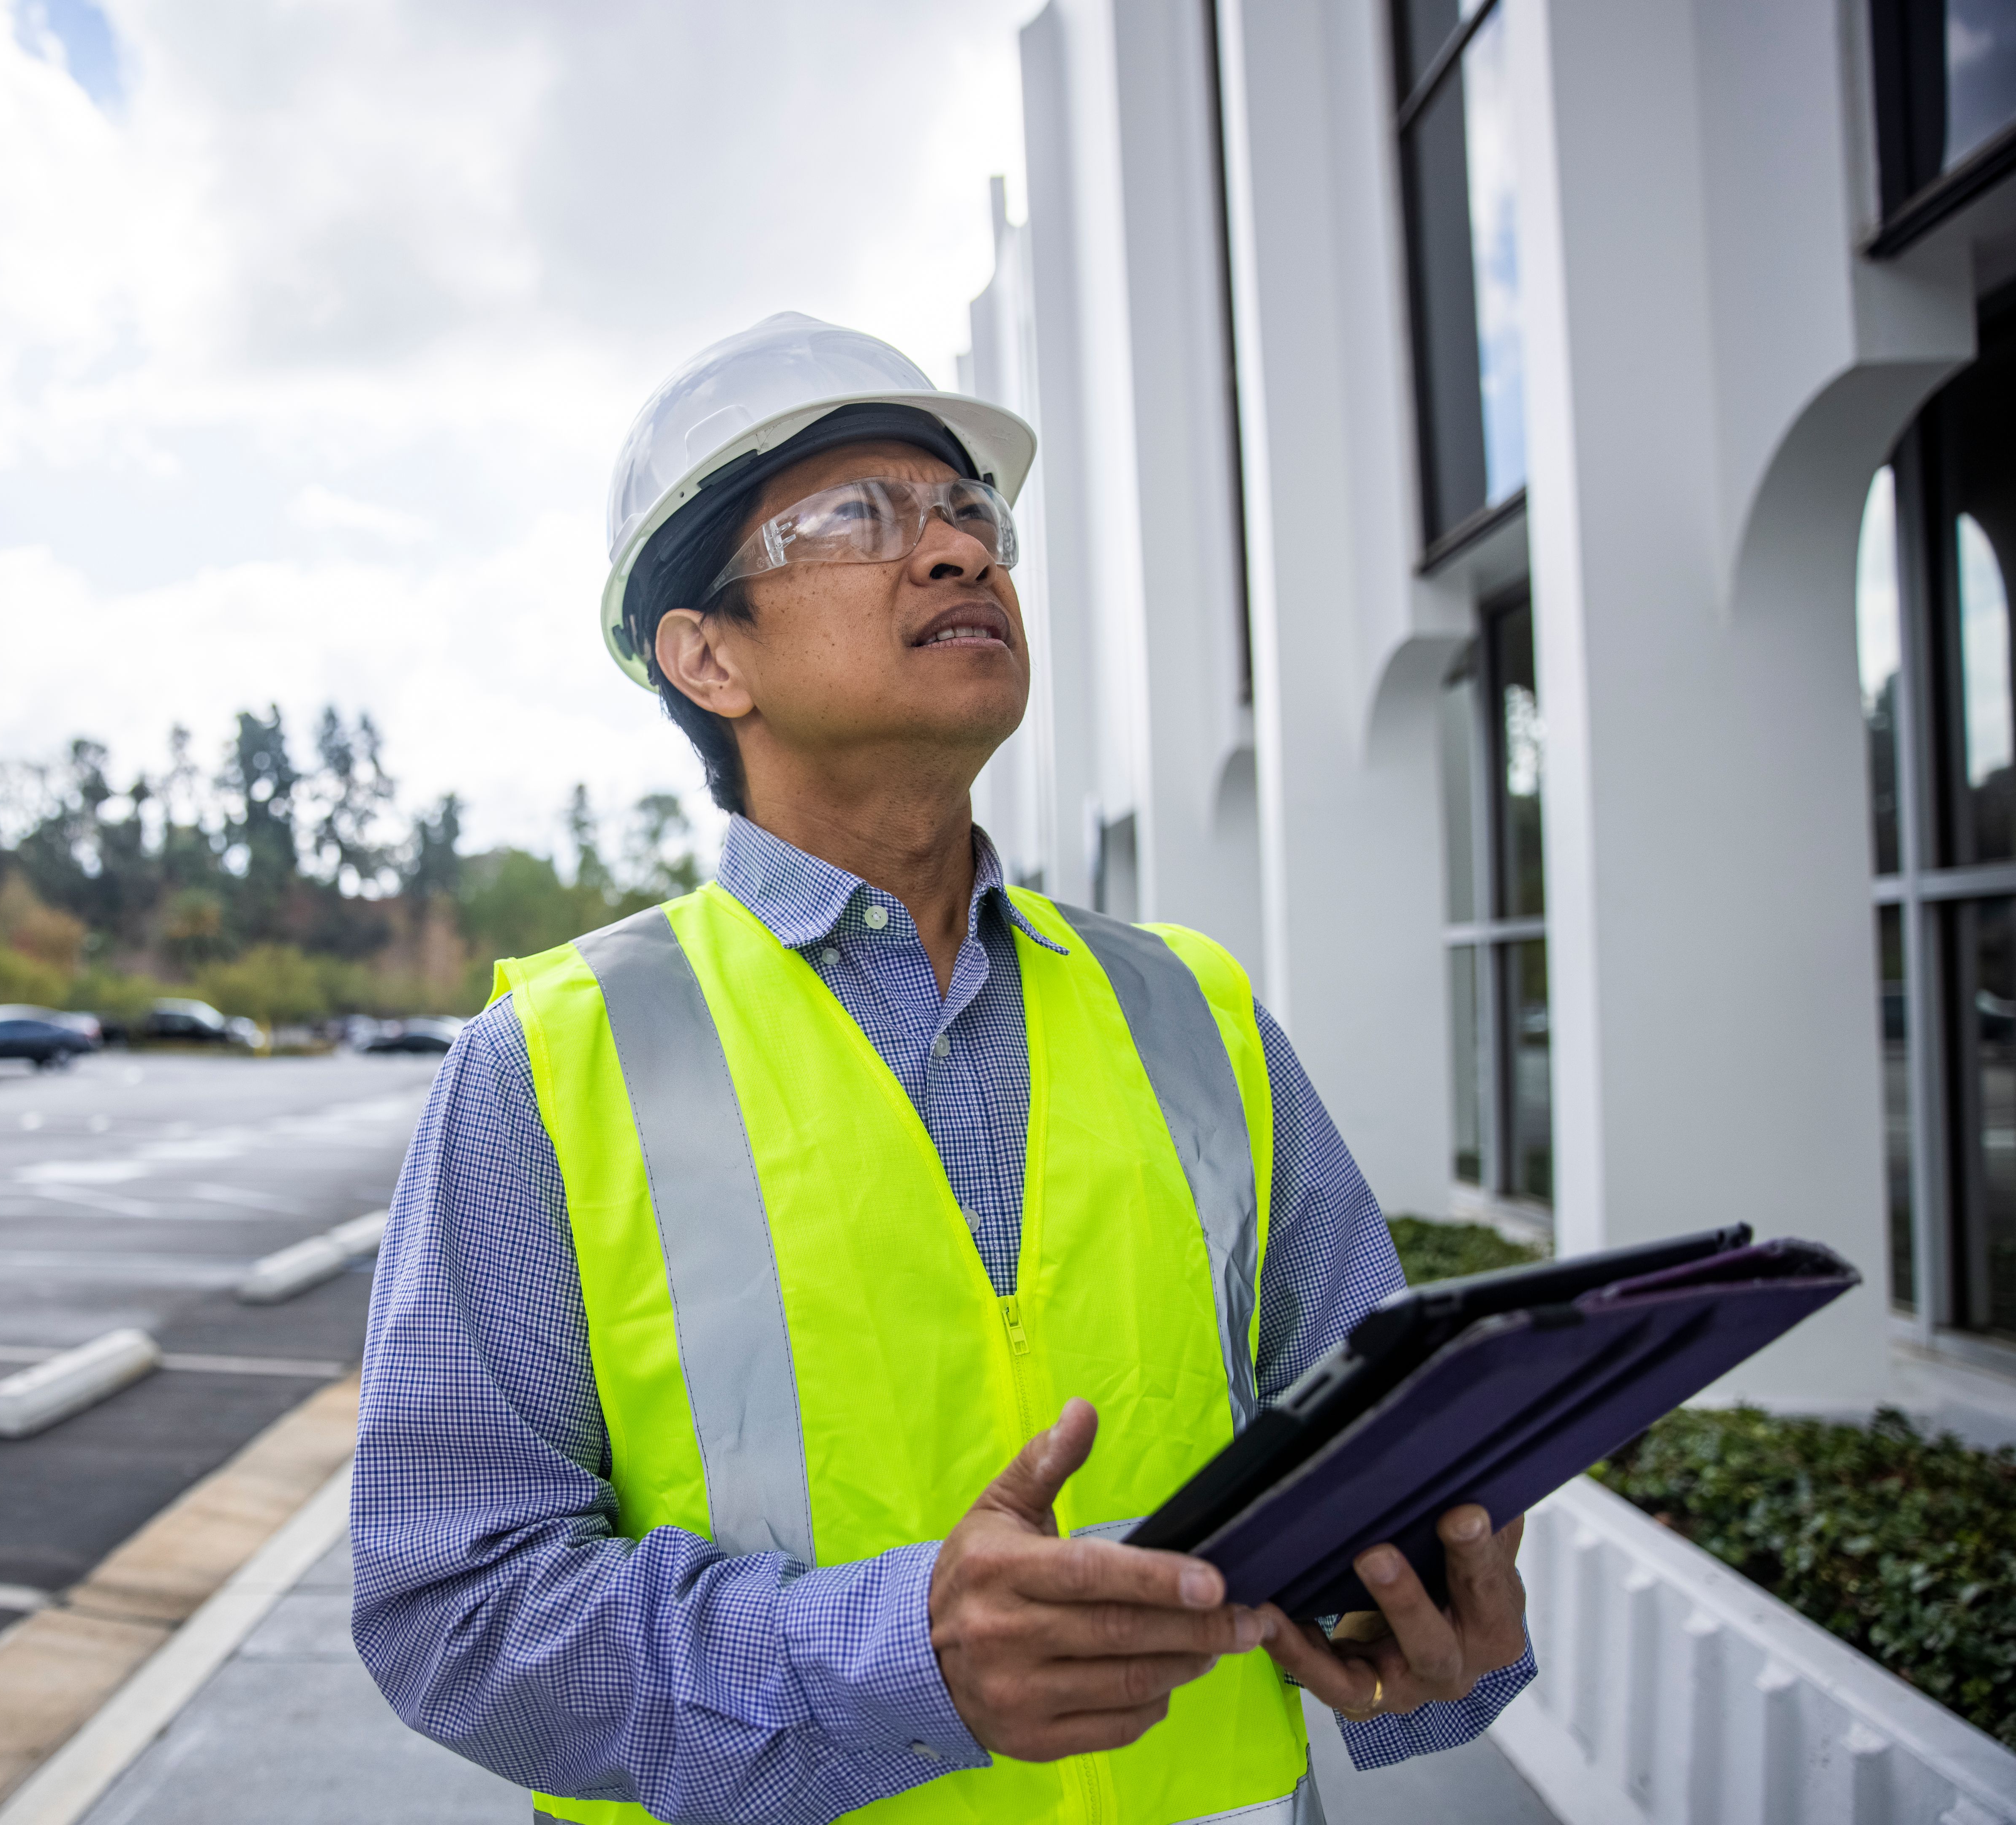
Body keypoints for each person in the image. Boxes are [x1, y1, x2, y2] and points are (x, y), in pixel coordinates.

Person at [351, 314, 1534, 1825]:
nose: (959, 554)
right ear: (707, 655)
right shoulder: (551, 1062)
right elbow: (450, 1602)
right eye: (855, 520)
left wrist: (1432, 1613)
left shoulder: (1194, 1011)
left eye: (972, 514)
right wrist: (900, 1658)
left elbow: (1386, 1442)